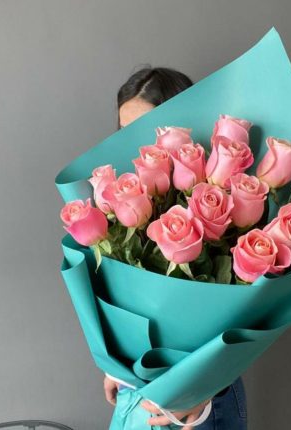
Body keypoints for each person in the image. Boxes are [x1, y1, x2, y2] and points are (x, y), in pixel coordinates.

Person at [103, 67, 248, 430]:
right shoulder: (126, 203)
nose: (136, 143)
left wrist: (203, 389)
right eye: (124, 130)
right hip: (138, 392)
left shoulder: (224, 203)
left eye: (148, 129)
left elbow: (246, 311)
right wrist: (116, 366)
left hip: (199, 404)